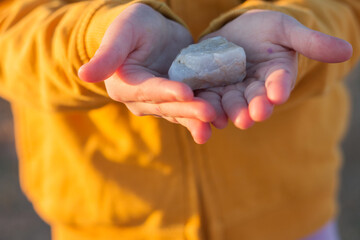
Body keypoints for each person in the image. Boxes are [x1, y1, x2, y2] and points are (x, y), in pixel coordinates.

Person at [0, 0, 359, 239]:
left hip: (289, 214)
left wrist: (299, 29)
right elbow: (10, 27)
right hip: (109, 217)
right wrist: (92, 39)